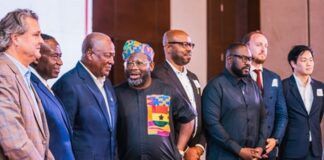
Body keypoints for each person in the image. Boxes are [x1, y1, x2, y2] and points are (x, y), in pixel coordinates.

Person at [115, 40, 196, 160]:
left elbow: (188, 119)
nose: (133, 67)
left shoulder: (167, 91)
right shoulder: (116, 93)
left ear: (151, 66)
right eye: (129, 63)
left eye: (139, 63)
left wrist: (179, 150)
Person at [52, 32, 117, 160]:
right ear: (90, 54)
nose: (112, 61)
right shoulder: (68, 84)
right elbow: (61, 138)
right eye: (107, 55)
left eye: (113, 56)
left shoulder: (107, 82)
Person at [0, 9, 54, 160]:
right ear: (15, 38)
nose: (41, 41)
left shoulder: (23, 74)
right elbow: (14, 142)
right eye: (36, 35)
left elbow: (41, 142)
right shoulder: (3, 73)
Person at [202, 43, 267, 160]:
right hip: (223, 156)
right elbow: (212, 125)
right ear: (229, 59)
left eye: (250, 59)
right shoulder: (215, 86)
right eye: (244, 58)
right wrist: (239, 150)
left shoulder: (252, 85)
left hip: (253, 155)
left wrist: (260, 147)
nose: (248, 62)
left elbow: (263, 117)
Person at [152, 29, 205, 160]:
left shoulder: (193, 78)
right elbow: (159, 122)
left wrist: (199, 147)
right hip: (171, 151)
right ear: (168, 48)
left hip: (194, 153)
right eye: (183, 44)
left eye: (190, 45)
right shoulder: (157, 77)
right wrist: (185, 150)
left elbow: (200, 114)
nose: (189, 49)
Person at [242, 31, 288, 159]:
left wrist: (275, 139)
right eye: (258, 45)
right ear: (246, 47)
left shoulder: (274, 78)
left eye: (266, 46)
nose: (263, 49)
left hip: (269, 149)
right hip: (244, 150)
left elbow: (282, 114)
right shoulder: (238, 76)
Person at [30, 34, 74, 160]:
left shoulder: (44, 86)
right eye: (55, 56)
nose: (60, 62)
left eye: (60, 57)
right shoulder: (31, 87)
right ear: (37, 57)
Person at [279, 45, 324, 160]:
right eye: (304, 60)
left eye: (311, 60)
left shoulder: (320, 87)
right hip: (291, 149)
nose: (309, 63)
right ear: (293, 63)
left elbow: (317, 117)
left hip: (315, 150)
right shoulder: (283, 87)